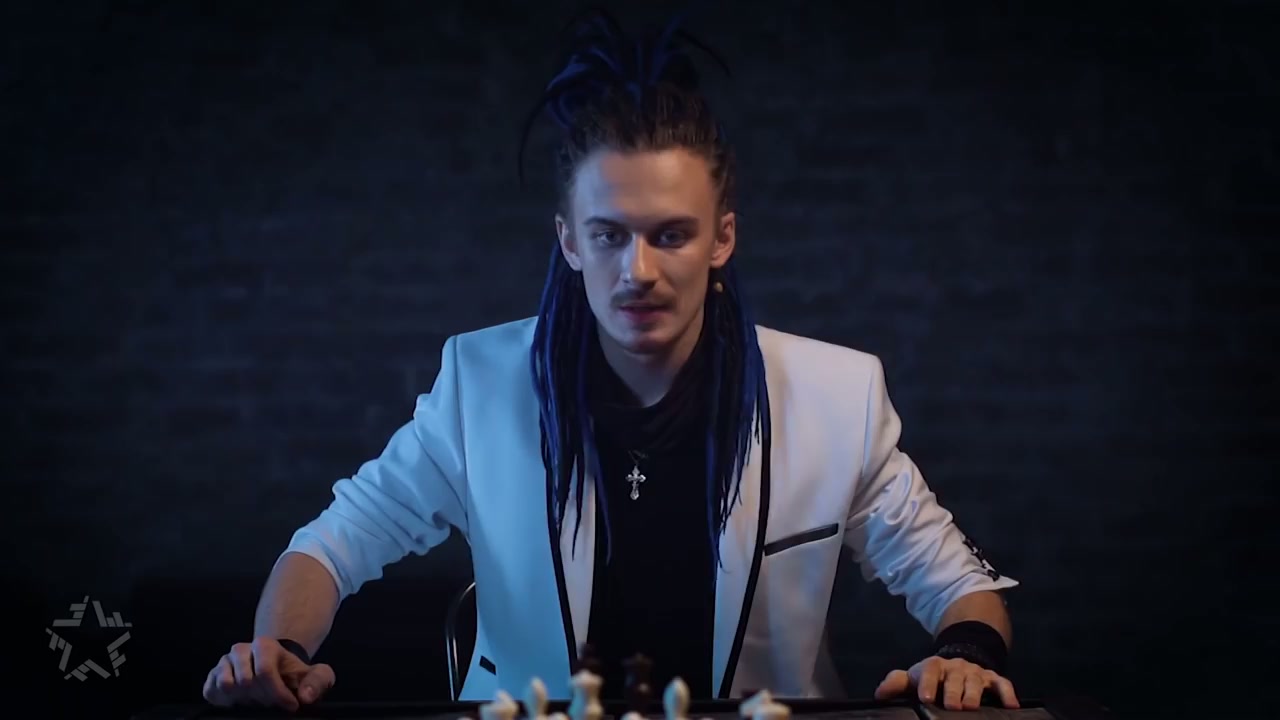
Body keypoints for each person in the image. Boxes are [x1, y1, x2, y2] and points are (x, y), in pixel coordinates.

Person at [202, 9, 1021, 714]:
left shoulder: (836, 397)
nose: (639, 270)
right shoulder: (478, 387)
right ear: (569, 241)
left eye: (671, 234)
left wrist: (965, 659)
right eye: (609, 235)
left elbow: (960, 587)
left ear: (722, 239)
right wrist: (277, 652)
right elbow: (335, 543)